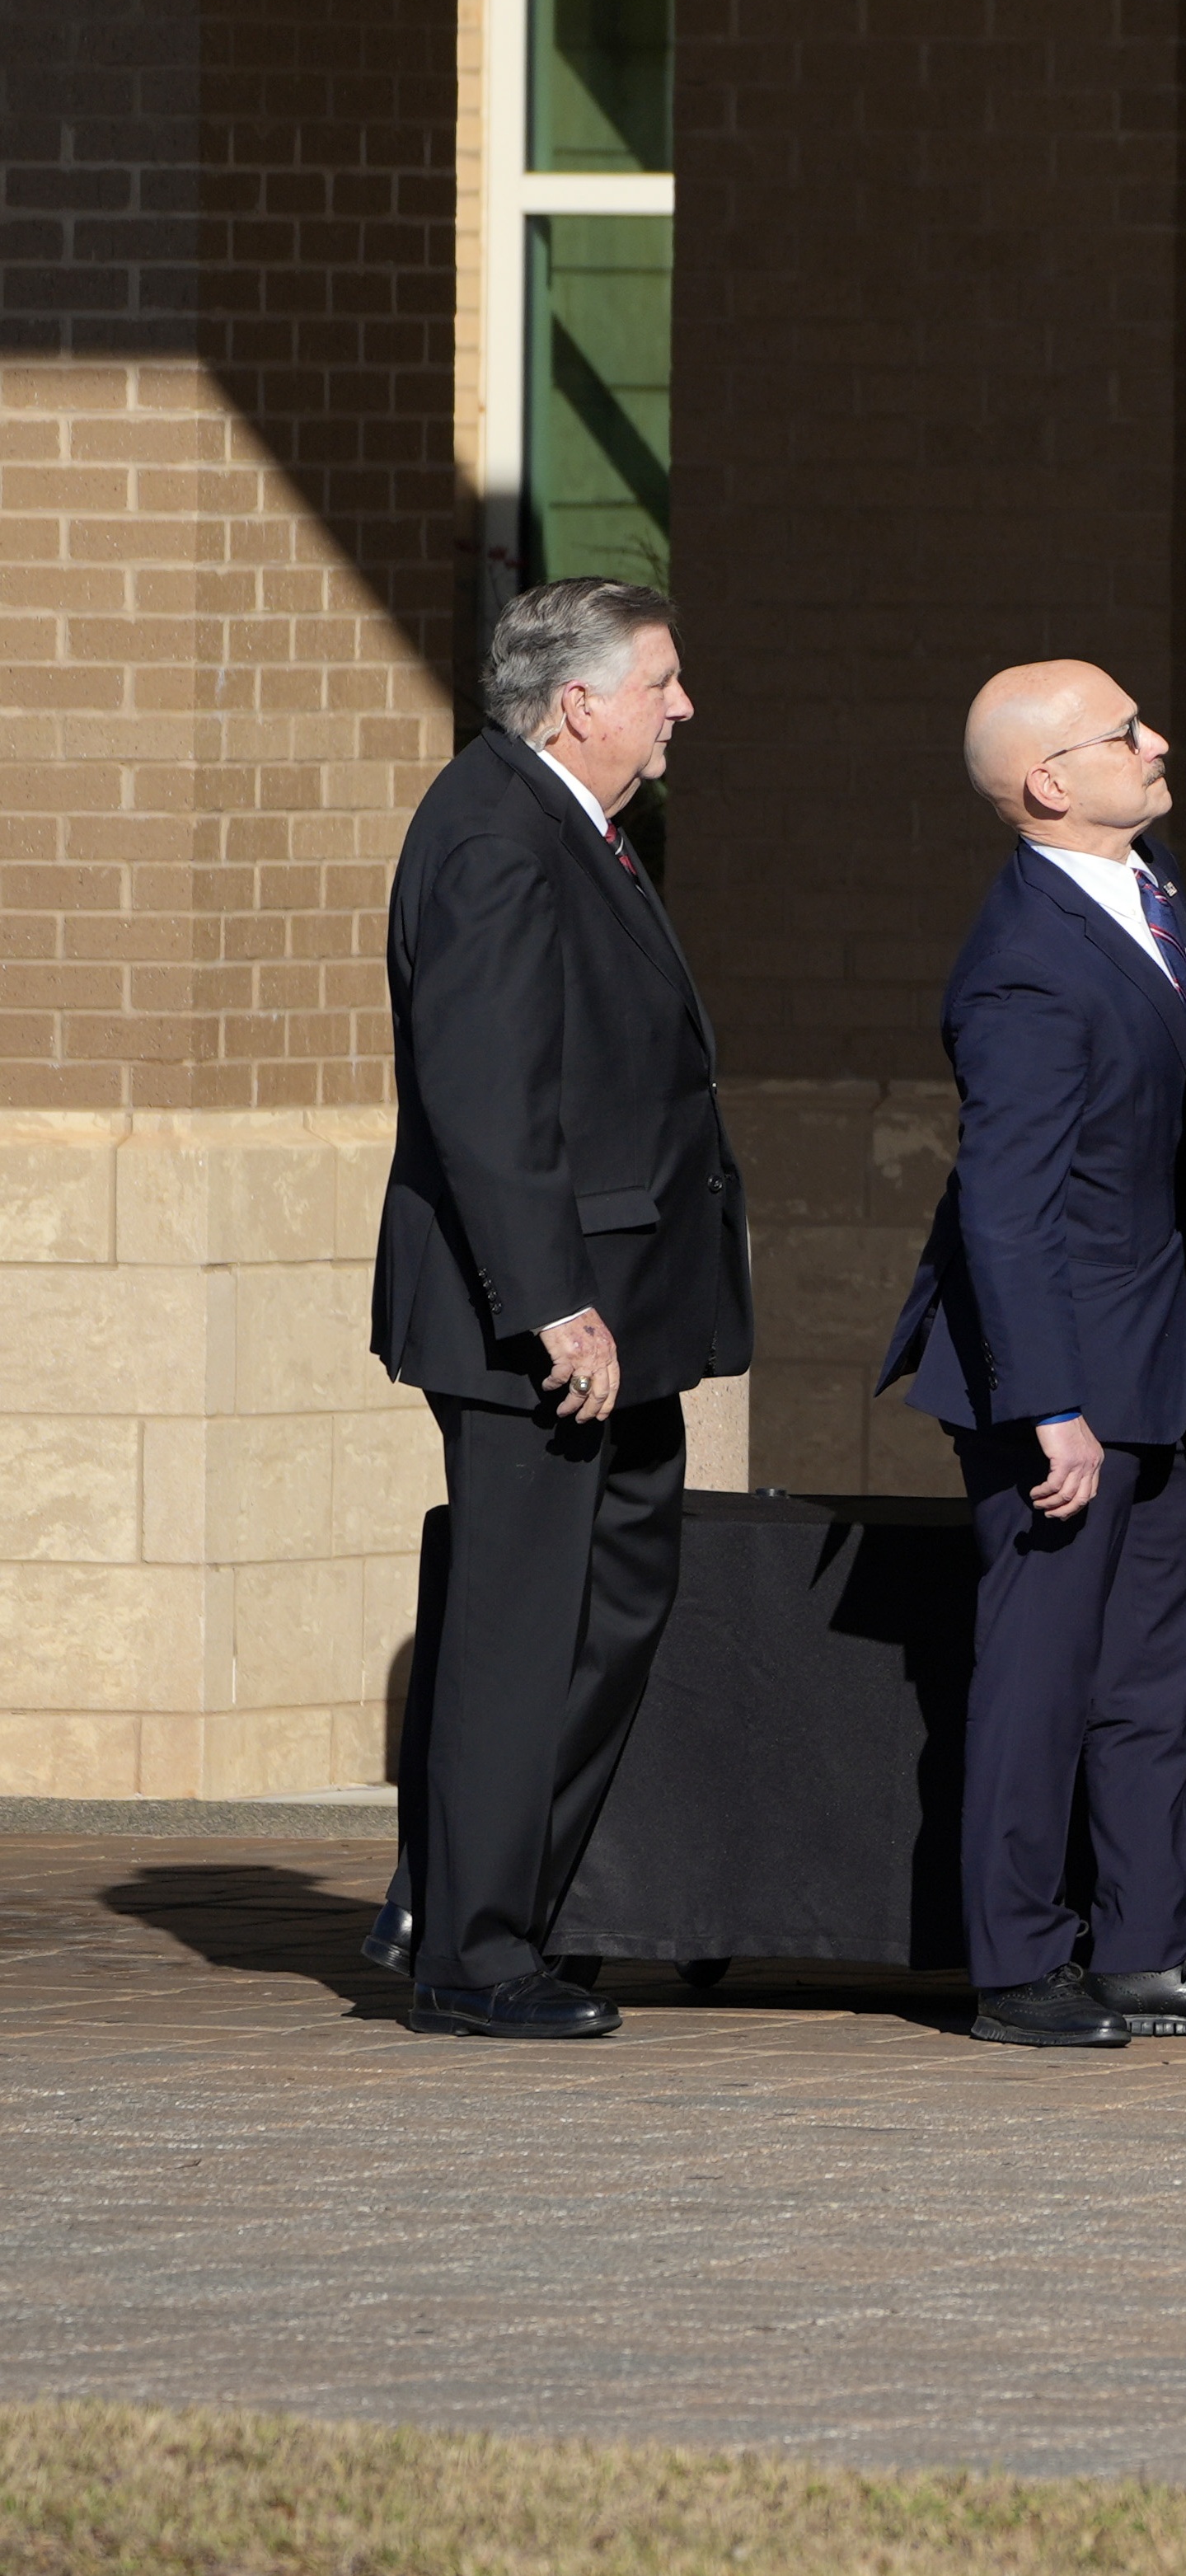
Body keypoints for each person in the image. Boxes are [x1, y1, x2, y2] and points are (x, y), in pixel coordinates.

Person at [364, 579, 752, 2041]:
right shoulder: (489, 832)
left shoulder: (567, 825)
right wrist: (550, 1305)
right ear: (581, 699)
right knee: (524, 1631)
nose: (683, 705)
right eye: (663, 678)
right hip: (539, 1321)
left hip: (622, 1309)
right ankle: (471, 1947)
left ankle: (495, 1898)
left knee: (612, 1608)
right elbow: (486, 1094)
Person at [877, 662, 1186, 2053]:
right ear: (1048, 783)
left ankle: (1146, 1944)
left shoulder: (1152, 897)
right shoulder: (1025, 959)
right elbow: (1004, 1206)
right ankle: (1018, 1960)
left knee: (1151, 1667)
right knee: (1039, 1676)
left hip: (1150, 1359)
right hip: (1060, 1379)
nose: (1157, 741)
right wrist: (1050, 1406)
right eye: (1123, 734)